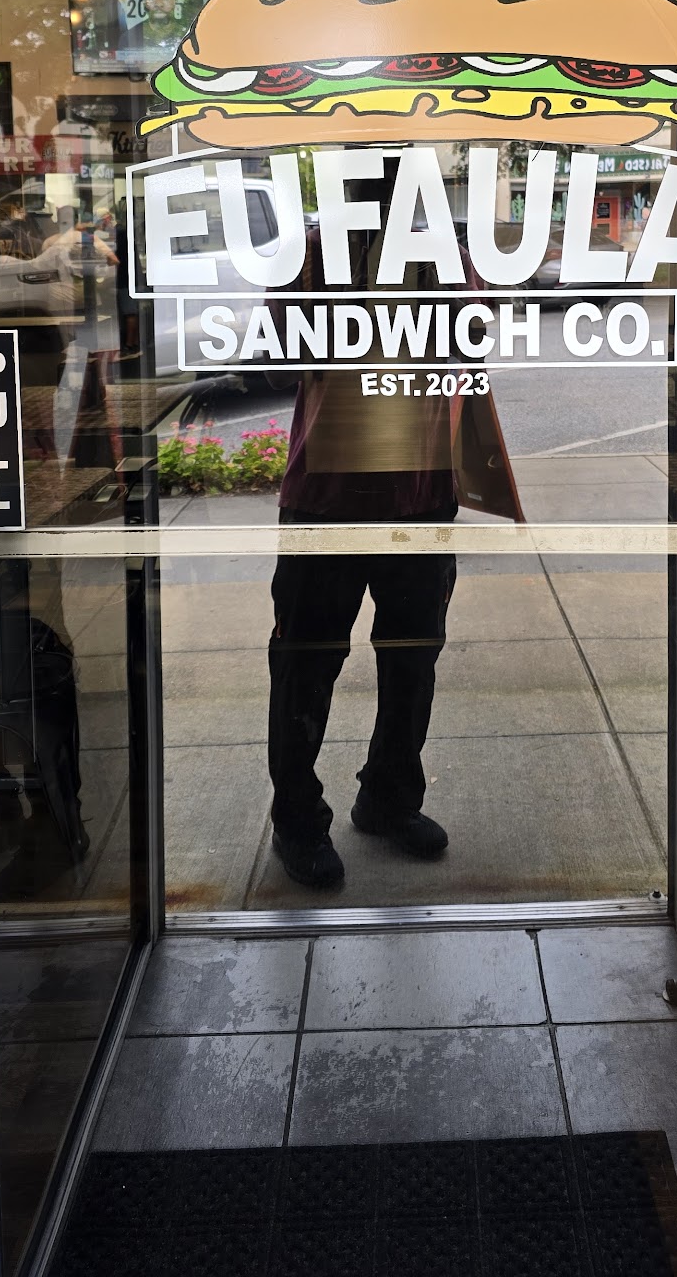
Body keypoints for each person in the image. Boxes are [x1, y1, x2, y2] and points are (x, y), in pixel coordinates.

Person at [264, 160, 461, 890]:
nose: (381, 192)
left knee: (411, 662)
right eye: (372, 179)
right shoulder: (315, 253)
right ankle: (297, 819)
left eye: (395, 178)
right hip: (329, 494)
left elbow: (476, 339)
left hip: (419, 491)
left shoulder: (440, 252)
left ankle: (389, 797)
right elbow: (283, 343)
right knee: (305, 665)